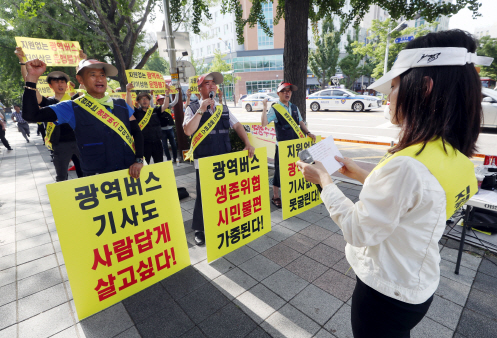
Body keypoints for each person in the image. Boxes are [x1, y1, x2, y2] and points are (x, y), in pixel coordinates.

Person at [296, 29, 491, 338]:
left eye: (395, 85)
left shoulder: (406, 165)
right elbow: (417, 197)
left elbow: (359, 231)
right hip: (417, 283)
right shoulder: (455, 156)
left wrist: (324, 181)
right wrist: (359, 170)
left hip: (385, 292)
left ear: (423, 88)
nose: (387, 96)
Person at [22, 58, 144, 178]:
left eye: (102, 75)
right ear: (81, 79)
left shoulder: (121, 104)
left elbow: (137, 133)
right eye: (93, 75)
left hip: (128, 171)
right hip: (97, 176)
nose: (99, 79)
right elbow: (31, 116)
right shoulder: (71, 107)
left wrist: (139, 160)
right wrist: (32, 78)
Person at [183, 72, 255, 245]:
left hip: (224, 160)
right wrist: (201, 110)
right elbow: (187, 130)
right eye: (207, 84)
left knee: (223, 193)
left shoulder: (223, 108)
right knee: (203, 195)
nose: (212, 86)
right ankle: (200, 228)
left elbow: (237, 125)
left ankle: (221, 222)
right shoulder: (192, 108)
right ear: (199, 88)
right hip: (205, 160)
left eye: (214, 83)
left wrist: (247, 142)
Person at [261, 81, 316, 208]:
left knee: (294, 169)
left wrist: (308, 132)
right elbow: (264, 123)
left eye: (289, 91)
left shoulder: (295, 107)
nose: (287, 93)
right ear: (278, 93)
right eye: (284, 91)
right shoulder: (276, 108)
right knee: (279, 171)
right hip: (282, 146)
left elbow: (300, 122)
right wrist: (264, 107)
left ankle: (291, 193)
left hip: (295, 146)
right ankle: (275, 196)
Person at [127, 84, 169, 164]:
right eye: (142, 99)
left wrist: (167, 94)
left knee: (159, 164)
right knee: (144, 165)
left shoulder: (154, 110)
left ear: (149, 101)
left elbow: (165, 106)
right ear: (138, 101)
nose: (144, 100)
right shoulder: (136, 112)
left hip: (157, 142)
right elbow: (129, 106)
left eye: (146, 99)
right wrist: (128, 91)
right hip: (143, 144)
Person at [157, 94, 178, 162]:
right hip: (162, 130)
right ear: (158, 102)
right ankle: (169, 159)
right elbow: (151, 105)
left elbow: (175, 101)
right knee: (165, 146)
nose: (162, 101)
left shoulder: (168, 106)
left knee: (174, 145)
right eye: (160, 100)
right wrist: (151, 95)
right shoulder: (157, 108)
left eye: (163, 99)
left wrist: (176, 92)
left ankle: (175, 158)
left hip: (170, 129)